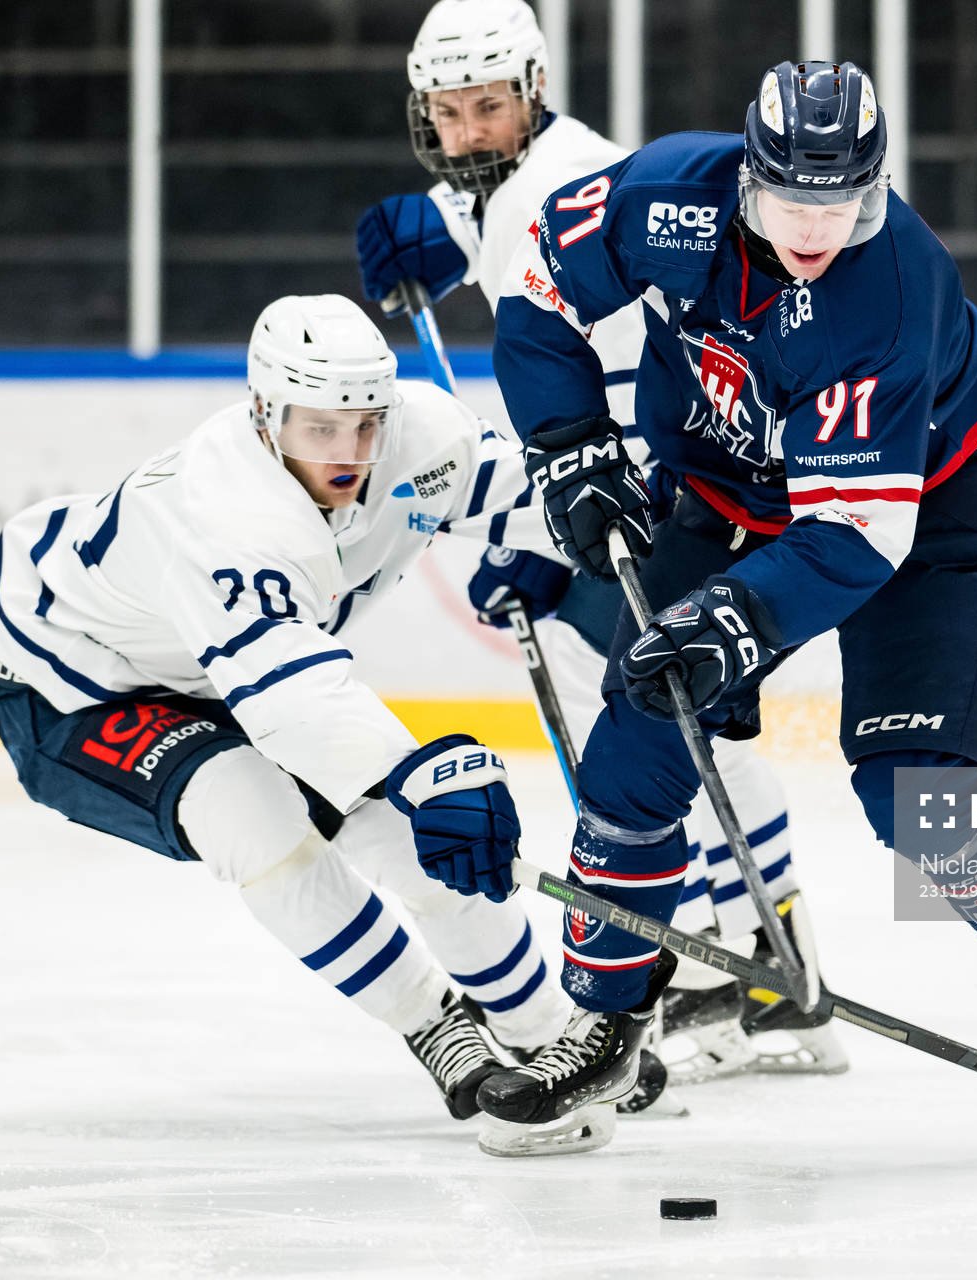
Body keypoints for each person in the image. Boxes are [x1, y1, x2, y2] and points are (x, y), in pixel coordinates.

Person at [407, 59, 977, 1135]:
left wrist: (734, 619)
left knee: (911, 790)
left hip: (924, 502)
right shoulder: (669, 198)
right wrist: (570, 447)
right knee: (640, 741)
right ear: (747, 177)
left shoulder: (890, 290)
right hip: (725, 487)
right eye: (792, 200)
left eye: (845, 202)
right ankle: (606, 1022)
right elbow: (542, 292)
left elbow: (858, 532)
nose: (816, 228)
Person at [0, 292, 640, 1154]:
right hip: (71, 676)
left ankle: (547, 1030)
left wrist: (621, 535)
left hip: (224, 665)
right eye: (322, 428)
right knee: (254, 818)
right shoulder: (218, 512)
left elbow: (540, 498)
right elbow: (286, 697)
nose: (351, 452)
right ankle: (433, 1023)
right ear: (264, 414)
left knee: (411, 839)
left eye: (366, 423)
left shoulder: (420, 439)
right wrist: (423, 772)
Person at [352, 0, 843, 1082]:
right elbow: (478, 212)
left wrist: (549, 529)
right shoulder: (512, 176)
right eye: (449, 112)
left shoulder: (558, 194)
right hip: (653, 477)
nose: (470, 130)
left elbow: (632, 386)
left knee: (664, 715)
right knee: (667, 710)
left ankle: (763, 962)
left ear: (532, 92)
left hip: (672, 484)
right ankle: (763, 957)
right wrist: (429, 226)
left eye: (489, 106)